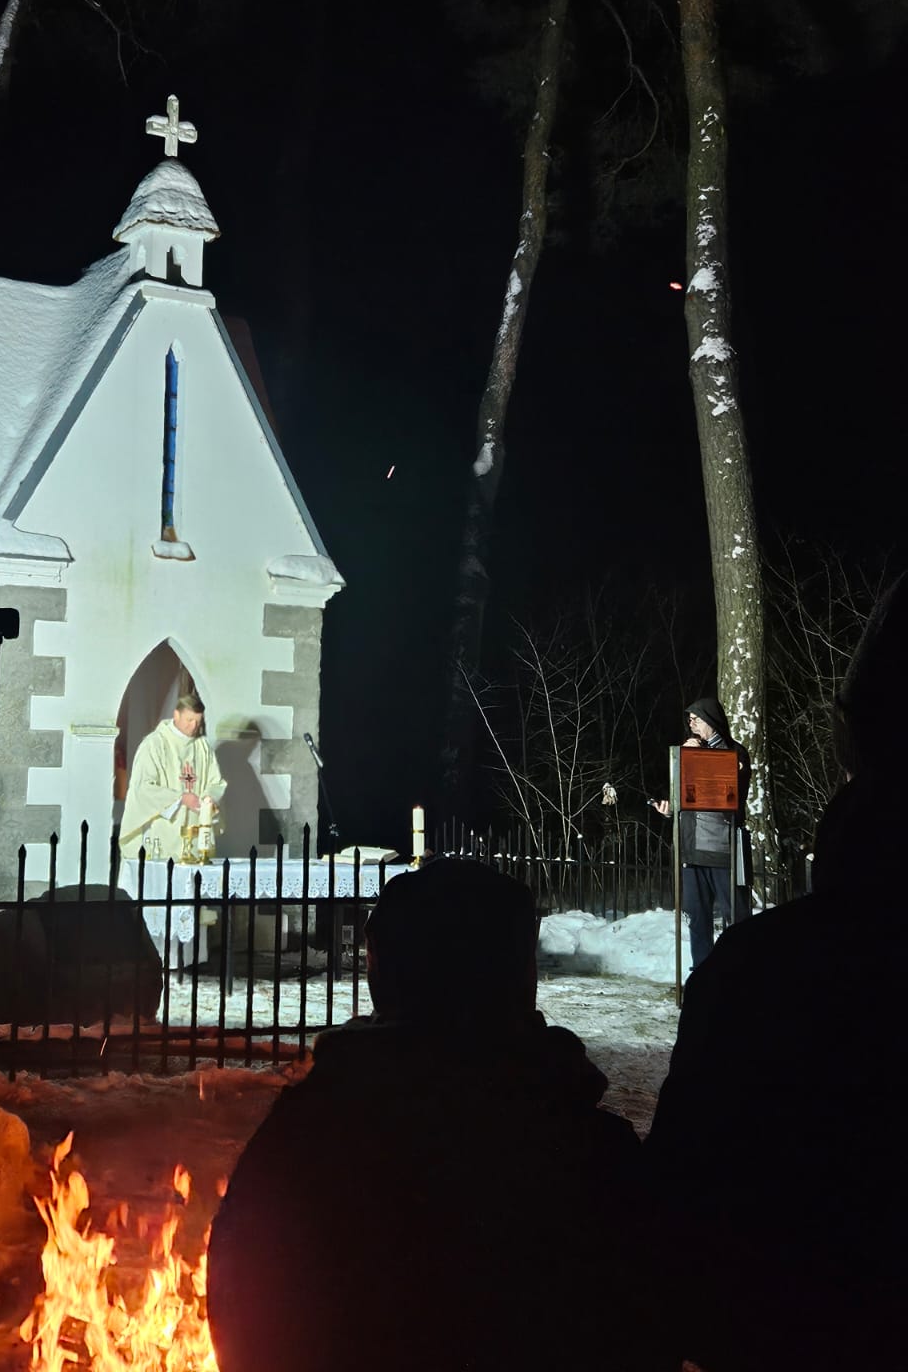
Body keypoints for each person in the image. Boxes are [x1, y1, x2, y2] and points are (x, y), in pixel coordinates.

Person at [207, 858, 659, 1372]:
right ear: (521, 974)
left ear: (381, 971)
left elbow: (243, 1307)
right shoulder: (593, 1153)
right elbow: (642, 1323)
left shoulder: (304, 1143)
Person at [643, 575, 908, 1371]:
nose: (693, 727)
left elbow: (680, 1223)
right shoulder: (762, 972)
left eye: (700, 721)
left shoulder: (768, 978)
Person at [655, 696, 750, 967]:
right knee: (697, 917)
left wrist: (697, 758)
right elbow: (684, 794)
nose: (692, 724)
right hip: (691, 849)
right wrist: (670, 808)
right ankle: (702, 972)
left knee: (737, 917)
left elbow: (726, 791)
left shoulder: (735, 752)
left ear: (712, 721)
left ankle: (741, 971)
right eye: (690, 720)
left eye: (697, 719)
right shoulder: (688, 751)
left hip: (722, 849)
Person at [118, 691, 226, 860]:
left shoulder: (202, 747)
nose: (194, 726)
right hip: (164, 831)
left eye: (198, 722)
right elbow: (143, 788)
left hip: (196, 831)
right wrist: (180, 798)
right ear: (176, 715)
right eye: (189, 720)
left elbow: (216, 782)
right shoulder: (154, 744)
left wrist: (209, 798)